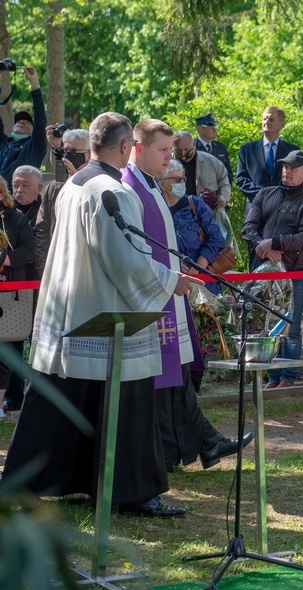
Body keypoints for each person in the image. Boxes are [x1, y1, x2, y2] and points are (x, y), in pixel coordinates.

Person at [3, 112, 197, 518]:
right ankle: (133, 492)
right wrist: (168, 280)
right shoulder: (112, 190)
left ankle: (49, 481)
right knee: (126, 403)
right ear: (126, 147)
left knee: (67, 398)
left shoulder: (73, 184)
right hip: (107, 313)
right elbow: (124, 259)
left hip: (71, 307)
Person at [121, 119, 253, 474]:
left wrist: (196, 270)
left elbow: (211, 240)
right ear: (136, 148)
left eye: (171, 151)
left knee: (178, 380)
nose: (171, 158)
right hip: (155, 300)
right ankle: (192, 447)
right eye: (164, 151)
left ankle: (202, 444)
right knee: (170, 383)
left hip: (175, 296)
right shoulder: (132, 190)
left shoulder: (155, 192)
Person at [242, 149, 303, 388]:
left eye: (293, 168)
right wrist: (264, 247)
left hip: (294, 274)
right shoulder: (265, 194)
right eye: (285, 166)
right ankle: (273, 377)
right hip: (264, 273)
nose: (287, 171)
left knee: (290, 326)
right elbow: (248, 228)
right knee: (265, 325)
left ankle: (288, 377)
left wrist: (274, 243)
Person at [158, 161, 226, 295]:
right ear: (161, 183)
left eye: (183, 178)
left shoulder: (195, 204)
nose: (181, 183)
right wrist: (171, 263)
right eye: (177, 179)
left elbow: (216, 239)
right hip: (169, 282)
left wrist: (198, 266)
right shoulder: (154, 208)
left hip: (202, 282)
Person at [0, 177, 35, 416]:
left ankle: (5, 402)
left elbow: (29, 251)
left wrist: (3, 259)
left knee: (9, 353)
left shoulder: (18, 219)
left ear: (2, 195)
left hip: (10, 296)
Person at [34, 128, 91, 276]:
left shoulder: (96, 185)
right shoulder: (54, 187)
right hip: (56, 267)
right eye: (64, 151)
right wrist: (43, 271)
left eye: (73, 152)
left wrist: (76, 180)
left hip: (83, 270)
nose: (67, 156)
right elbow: (42, 230)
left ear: (89, 154)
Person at [235, 106, 299, 205]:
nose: (267, 122)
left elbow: (297, 178)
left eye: (271, 119)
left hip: (283, 206)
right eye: (264, 119)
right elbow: (241, 179)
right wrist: (261, 195)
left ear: (282, 124)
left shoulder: (292, 150)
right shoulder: (247, 150)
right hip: (255, 205)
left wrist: (281, 195)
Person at [0, 66, 47, 184]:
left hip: (19, 198)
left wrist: (34, 84)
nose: (21, 122)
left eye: (26, 122)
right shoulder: (4, 143)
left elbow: (40, 120)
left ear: (33, 131)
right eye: (18, 121)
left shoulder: (34, 147)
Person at [172, 131, 231, 210]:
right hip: (177, 212)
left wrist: (224, 197)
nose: (183, 153)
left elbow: (224, 182)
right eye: (179, 150)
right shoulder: (167, 163)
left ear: (194, 144)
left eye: (186, 149)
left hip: (207, 212)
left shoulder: (212, 161)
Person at [195, 113, 233, 182]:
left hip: (221, 191)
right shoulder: (193, 148)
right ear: (201, 130)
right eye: (211, 128)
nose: (215, 130)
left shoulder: (220, 147)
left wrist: (225, 189)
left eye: (215, 127)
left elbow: (228, 173)